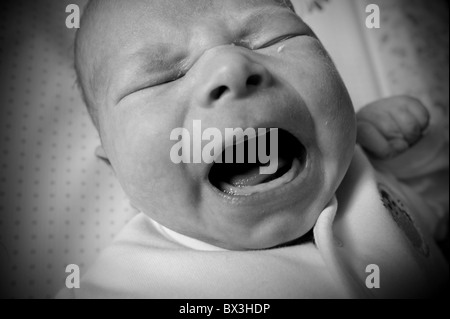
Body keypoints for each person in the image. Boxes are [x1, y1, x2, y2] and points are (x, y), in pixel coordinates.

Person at [58, 0, 448, 298]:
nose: (231, 68)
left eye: (271, 39)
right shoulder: (123, 284)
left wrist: (406, 154)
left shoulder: (364, 172)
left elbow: (435, 213)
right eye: (161, 77)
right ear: (116, 168)